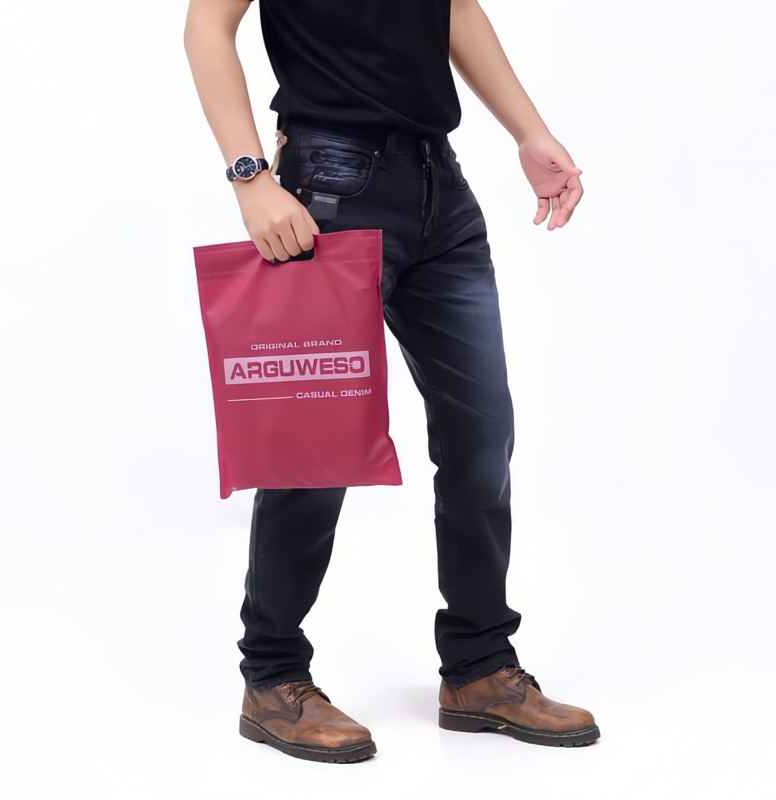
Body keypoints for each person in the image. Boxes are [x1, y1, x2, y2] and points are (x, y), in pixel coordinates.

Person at [184, 0, 598, 763]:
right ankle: (272, 675)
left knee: (482, 438)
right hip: (329, 185)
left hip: (441, 187)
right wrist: (249, 176)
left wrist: (529, 131)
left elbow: (455, 7)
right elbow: (207, 24)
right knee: (316, 445)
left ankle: (479, 669)